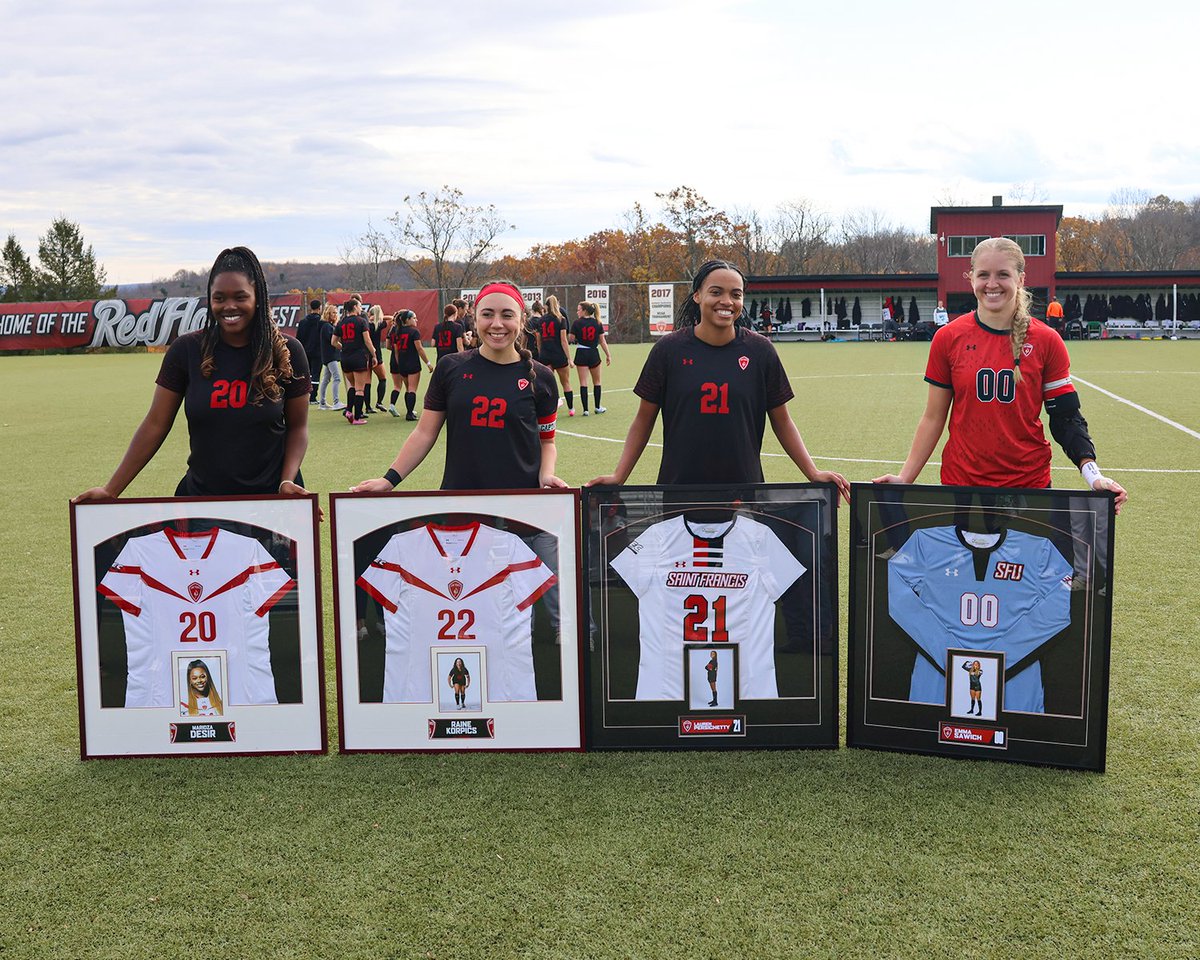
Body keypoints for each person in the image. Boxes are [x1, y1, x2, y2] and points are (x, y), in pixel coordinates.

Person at [873, 238, 1127, 512]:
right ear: (970, 279)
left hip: (1029, 488)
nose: (991, 284)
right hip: (962, 486)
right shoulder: (948, 338)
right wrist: (904, 479)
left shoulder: (1046, 340)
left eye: (1003, 274)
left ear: (1020, 279)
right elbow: (934, 417)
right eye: (983, 275)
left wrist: (1094, 476)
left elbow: (1066, 418)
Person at [588, 259, 849, 500]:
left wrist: (812, 472)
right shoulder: (668, 350)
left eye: (736, 294)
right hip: (678, 492)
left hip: (744, 494)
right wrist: (619, 476)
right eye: (716, 292)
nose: (727, 301)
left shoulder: (760, 351)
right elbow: (643, 420)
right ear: (697, 295)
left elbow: (782, 421)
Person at [75, 246, 313, 500]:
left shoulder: (286, 352)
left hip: (273, 500)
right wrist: (111, 490)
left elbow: (298, 427)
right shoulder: (186, 351)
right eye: (219, 298)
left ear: (258, 297)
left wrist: (287, 480)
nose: (229, 306)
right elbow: (156, 424)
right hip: (203, 501)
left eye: (240, 297)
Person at [352, 280, 566, 492]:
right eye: (488, 314)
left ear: (522, 320)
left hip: (521, 505)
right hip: (459, 502)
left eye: (507, 315)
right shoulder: (450, 368)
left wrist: (546, 475)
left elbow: (547, 442)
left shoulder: (541, 377)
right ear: (475, 318)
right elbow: (424, 433)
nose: (497, 323)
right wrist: (388, 480)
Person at [332, 298, 377, 425]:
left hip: (345, 358)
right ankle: (357, 417)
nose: (361, 307)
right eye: (360, 305)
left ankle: (348, 410)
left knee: (352, 386)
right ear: (355, 307)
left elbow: (333, 342)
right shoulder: (361, 321)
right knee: (360, 389)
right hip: (359, 357)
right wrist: (374, 355)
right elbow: (367, 341)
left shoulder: (341, 323)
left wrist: (345, 347)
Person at [386, 309, 433, 420]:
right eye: (414, 318)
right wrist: (428, 363)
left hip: (402, 364)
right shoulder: (414, 332)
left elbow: (396, 350)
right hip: (412, 363)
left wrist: (399, 363)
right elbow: (419, 349)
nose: (416, 320)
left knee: (408, 388)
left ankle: (410, 411)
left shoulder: (397, 331)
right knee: (412, 389)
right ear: (407, 320)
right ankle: (409, 413)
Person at [570, 300, 611, 416]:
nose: (577, 311)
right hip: (594, 353)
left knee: (583, 382)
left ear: (584, 311)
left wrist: (577, 338)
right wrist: (608, 355)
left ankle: (585, 410)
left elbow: (571, 339)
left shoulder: (576, 323)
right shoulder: (597, 322)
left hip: (581, 352)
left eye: (579, 309)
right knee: (597, 381)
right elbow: (602, 341)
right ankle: (598, 407)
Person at [537, 295, 575, 415]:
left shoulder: (541, 320)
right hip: (558, 354)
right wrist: (569, 358)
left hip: (545, 354)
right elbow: (563, 340)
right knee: (566, 383)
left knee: (548, 384)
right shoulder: (561, 319)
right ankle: (571, 409)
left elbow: (539, 340)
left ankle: (550, 409)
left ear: (546, 306)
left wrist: (540, 353)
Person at [316, 302, 344, 410]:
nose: (335, 315)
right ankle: (336, 402)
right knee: (336, 378)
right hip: (330, 356)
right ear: (327, 314)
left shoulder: (327, 326)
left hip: (328, 356)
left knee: (326, 379)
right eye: (333, 313)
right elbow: (333, 341)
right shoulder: (327, 327)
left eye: (336, 313)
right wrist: (343, 348)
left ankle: (322, 403)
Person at [296, 299, 324, 403]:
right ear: (320, 308)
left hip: (305, 352)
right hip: (318, 352)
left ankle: (305, 394)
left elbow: (298, 338)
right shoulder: (321, 322)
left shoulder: (303, 322)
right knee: (316, 374)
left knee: (307, 374)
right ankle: (313, 397)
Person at [365, 304, 390, 412]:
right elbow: (392, 318)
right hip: (376, 354)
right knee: (383, 378)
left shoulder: (365, 324)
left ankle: (368, 407)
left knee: (367, 382)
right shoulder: (378, 324)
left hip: (365, 355)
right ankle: (379, 402)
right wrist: (380, 317)